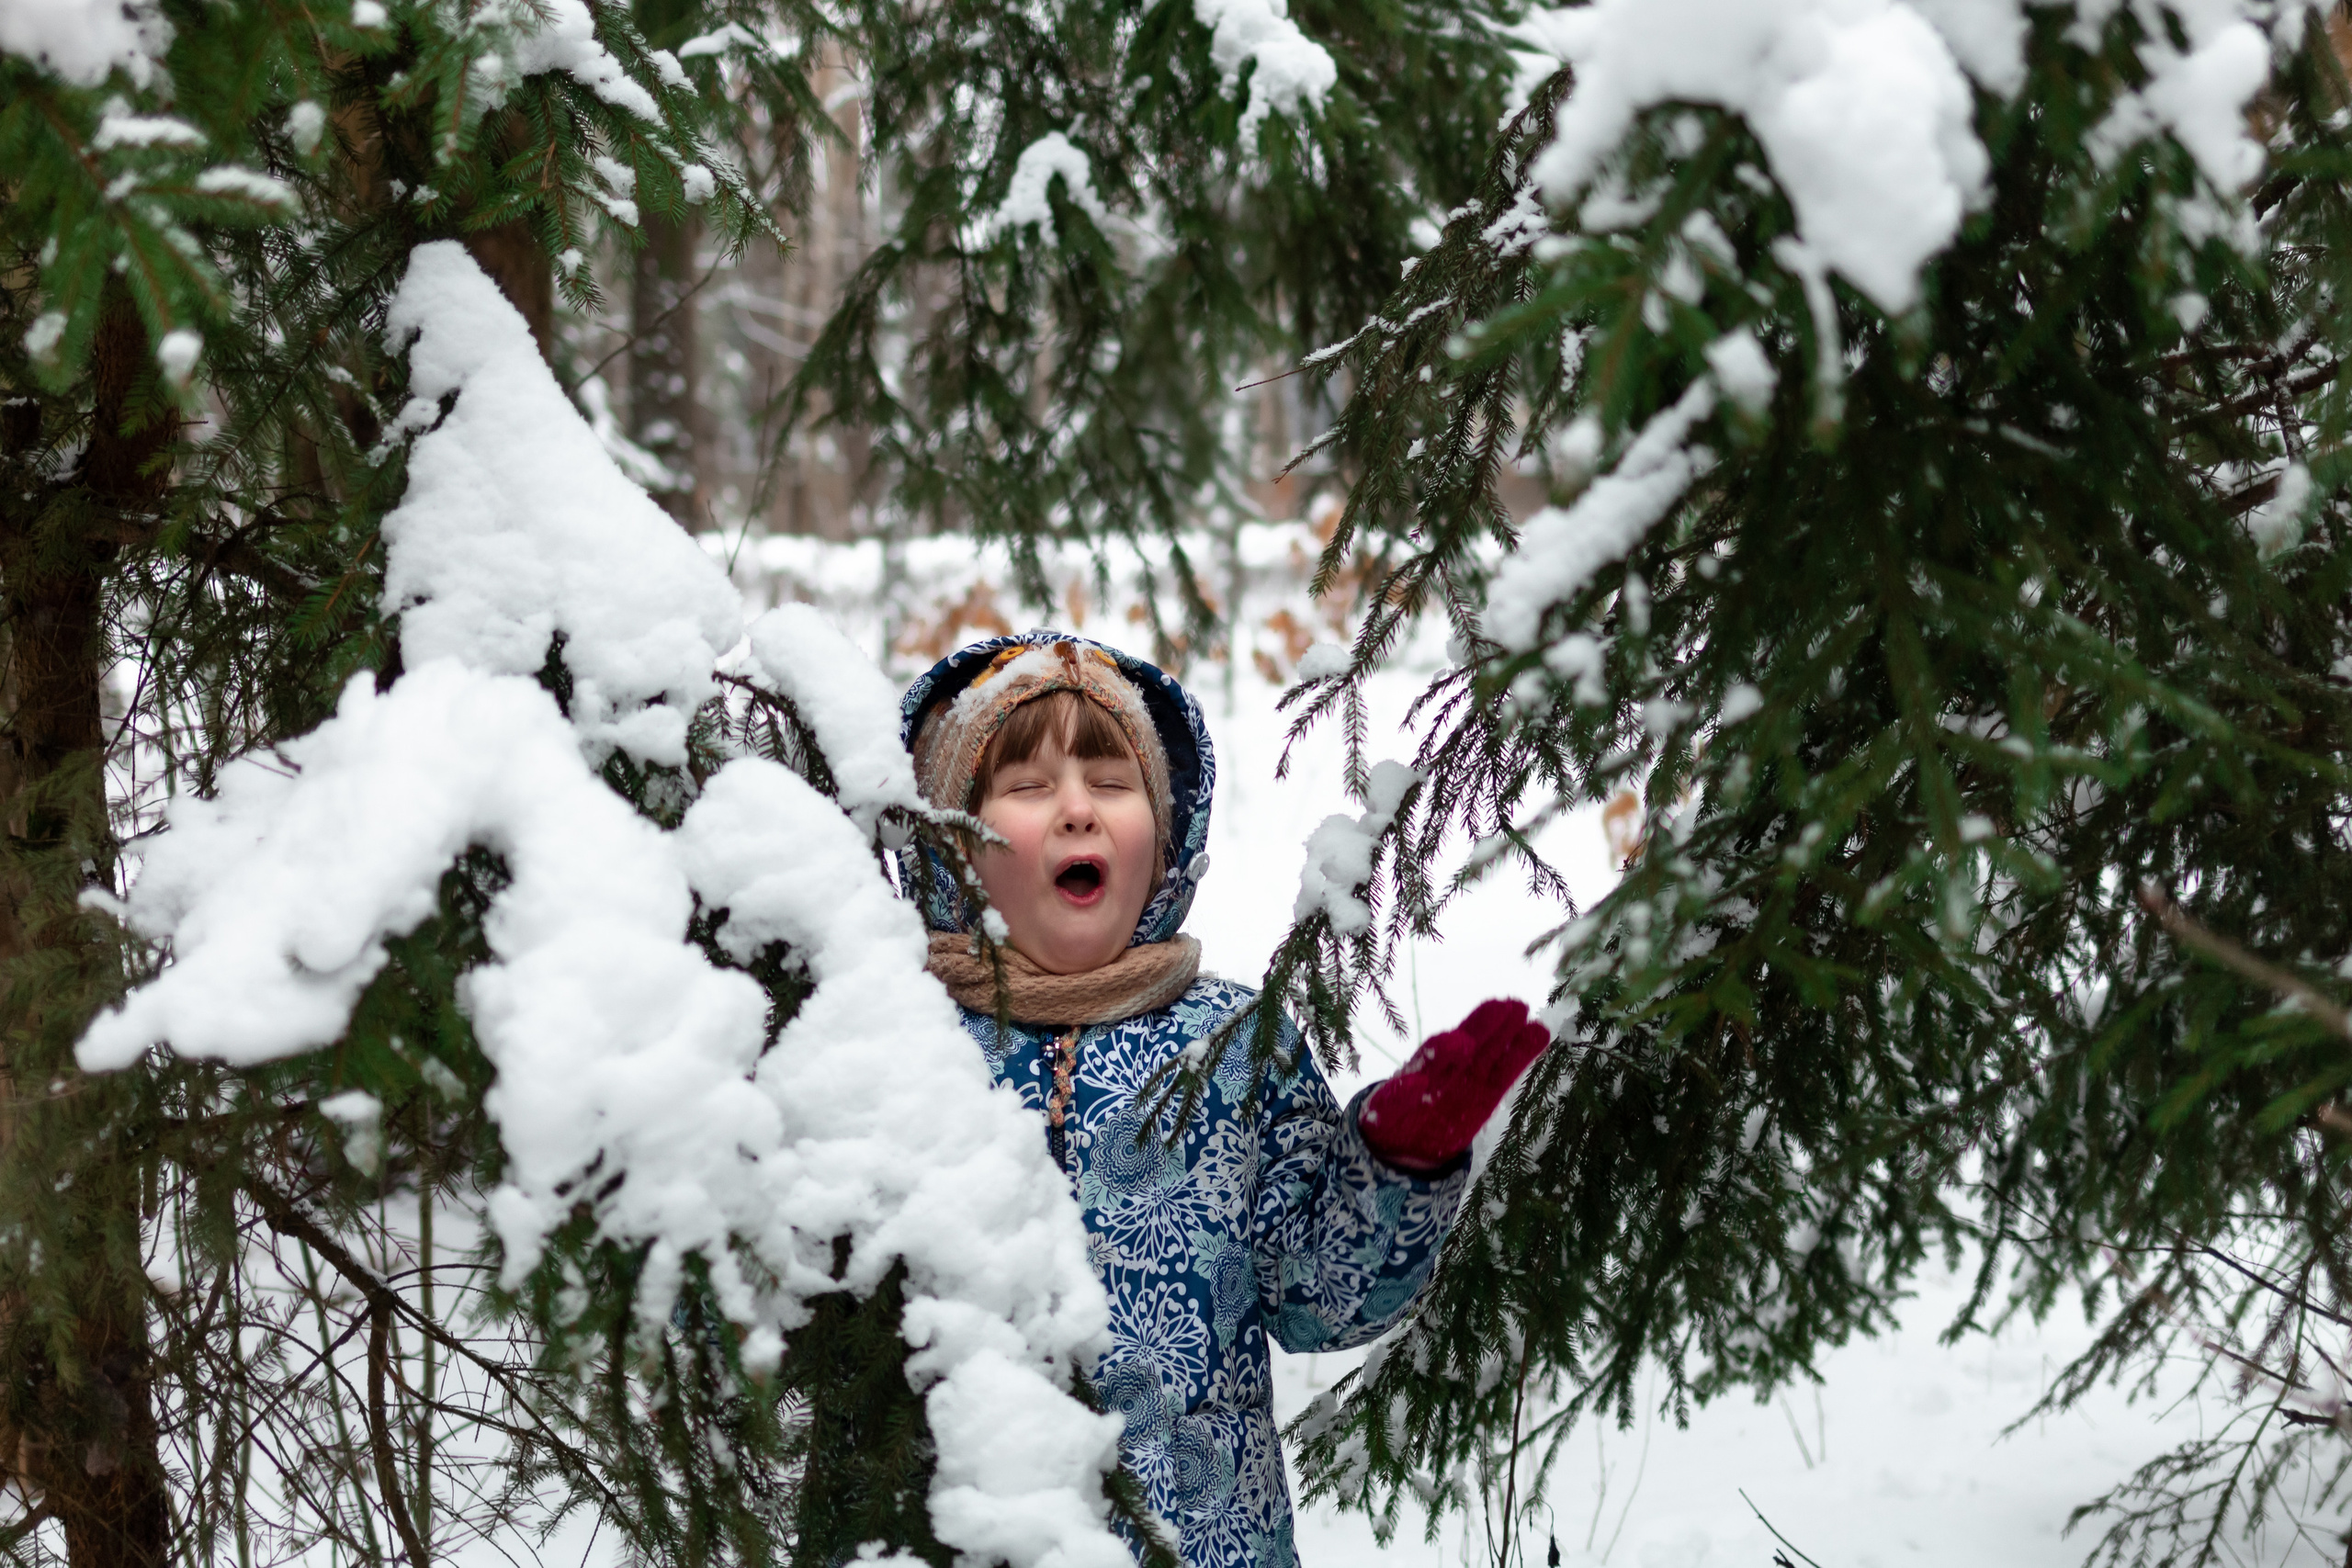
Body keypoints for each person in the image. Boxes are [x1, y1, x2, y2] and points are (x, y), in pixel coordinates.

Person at [899, 632, 1550, 1568]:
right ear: (953, 841)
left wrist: (1399, 1165)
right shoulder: (889, 1034)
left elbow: (1317, 1301)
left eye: (1112, 783)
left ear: (1164, 836)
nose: (1078, 809)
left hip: (1204, 1543)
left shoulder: (1234, 1046)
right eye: (1028, 785)